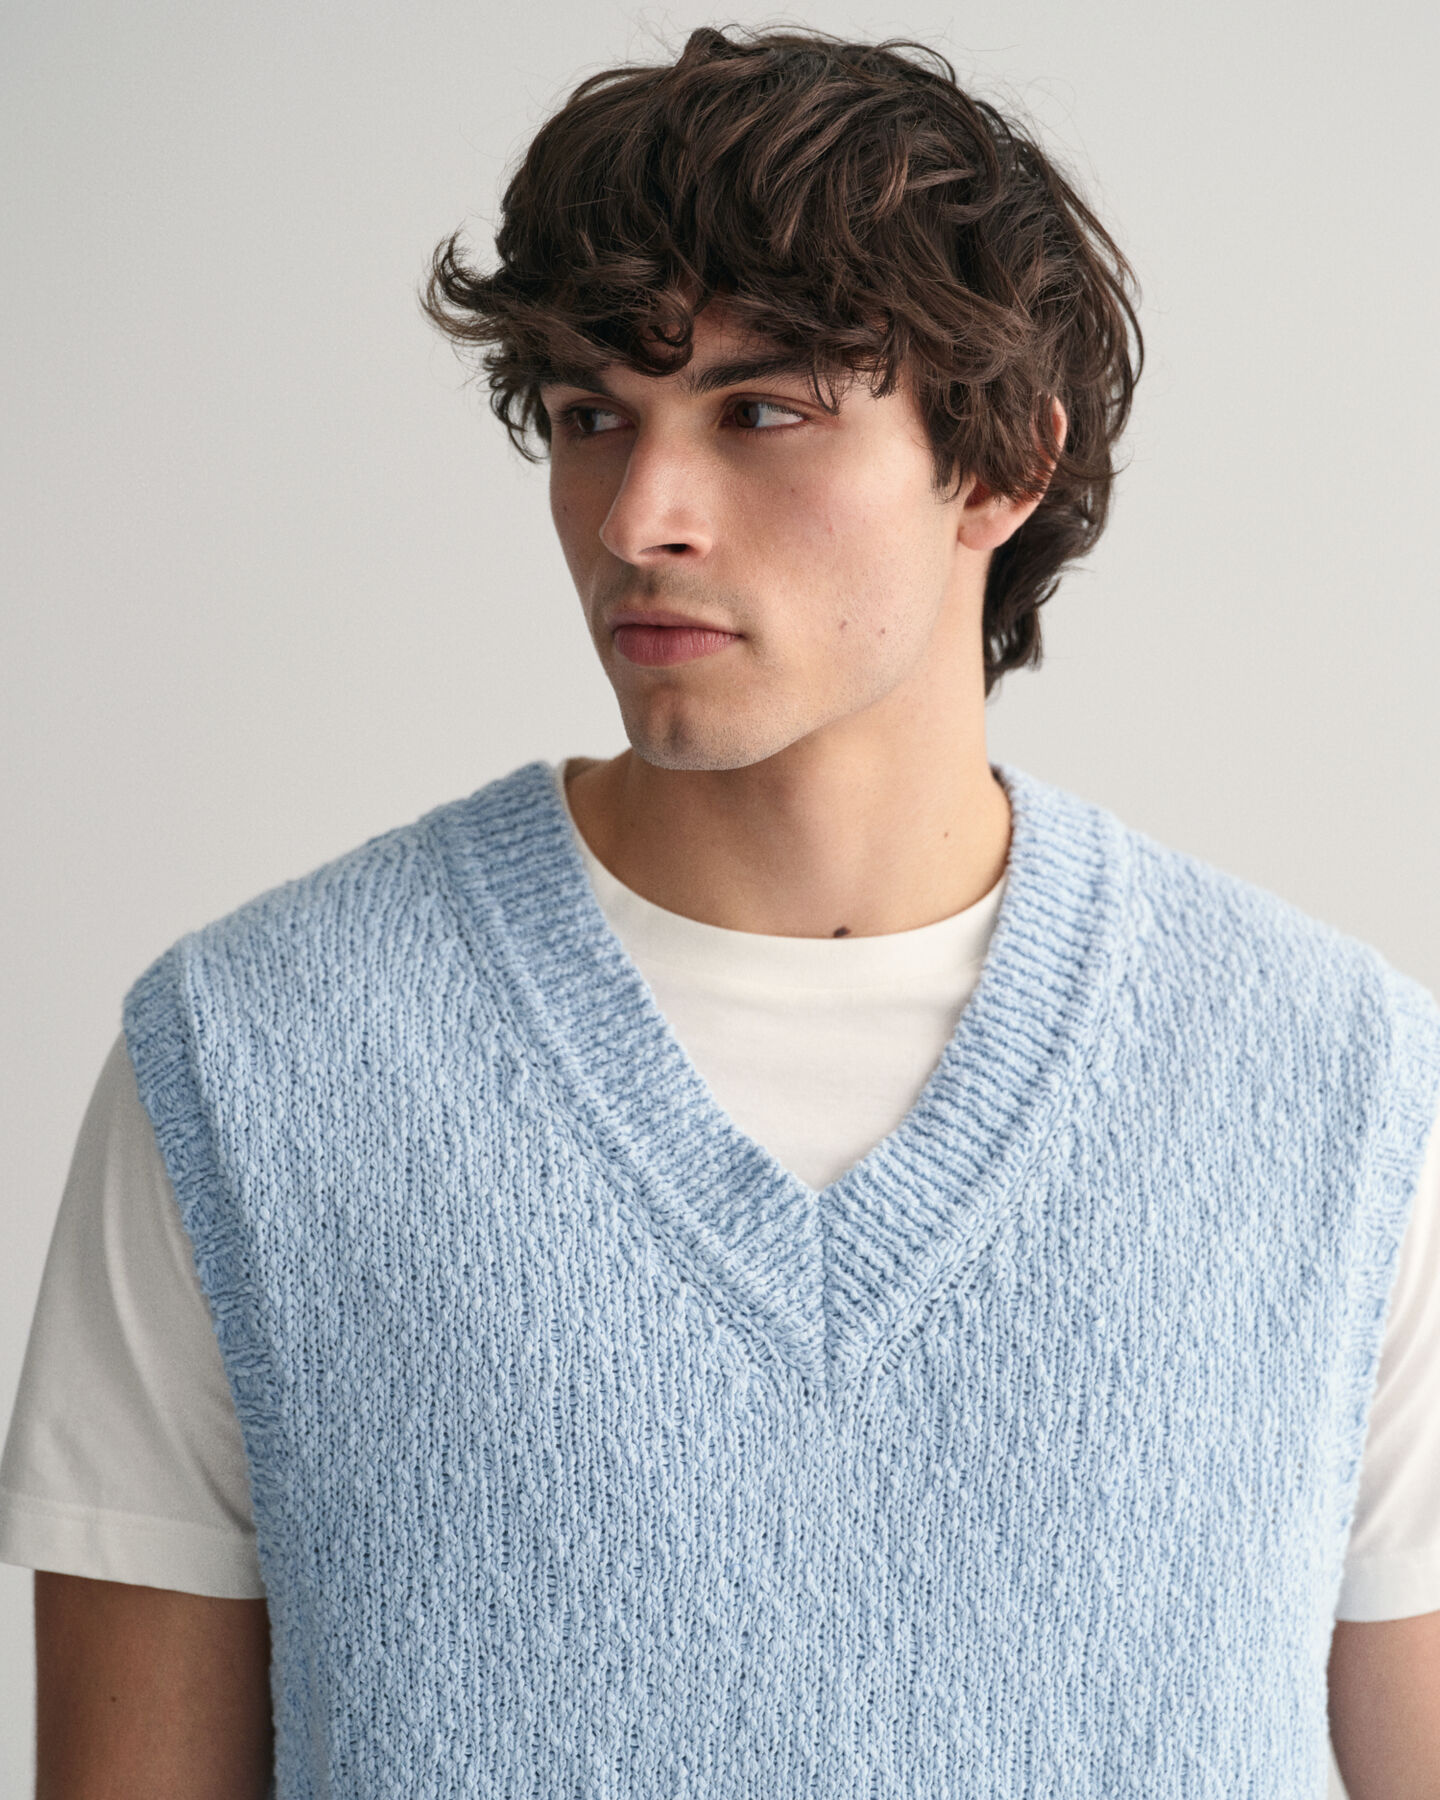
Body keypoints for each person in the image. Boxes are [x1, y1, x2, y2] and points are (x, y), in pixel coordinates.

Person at [3, 24, 1438, 1798]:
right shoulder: (252, 1063)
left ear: (1003, 463)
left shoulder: (1337, 1091)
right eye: (592, 417)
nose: (641, 516)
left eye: (761, 413)